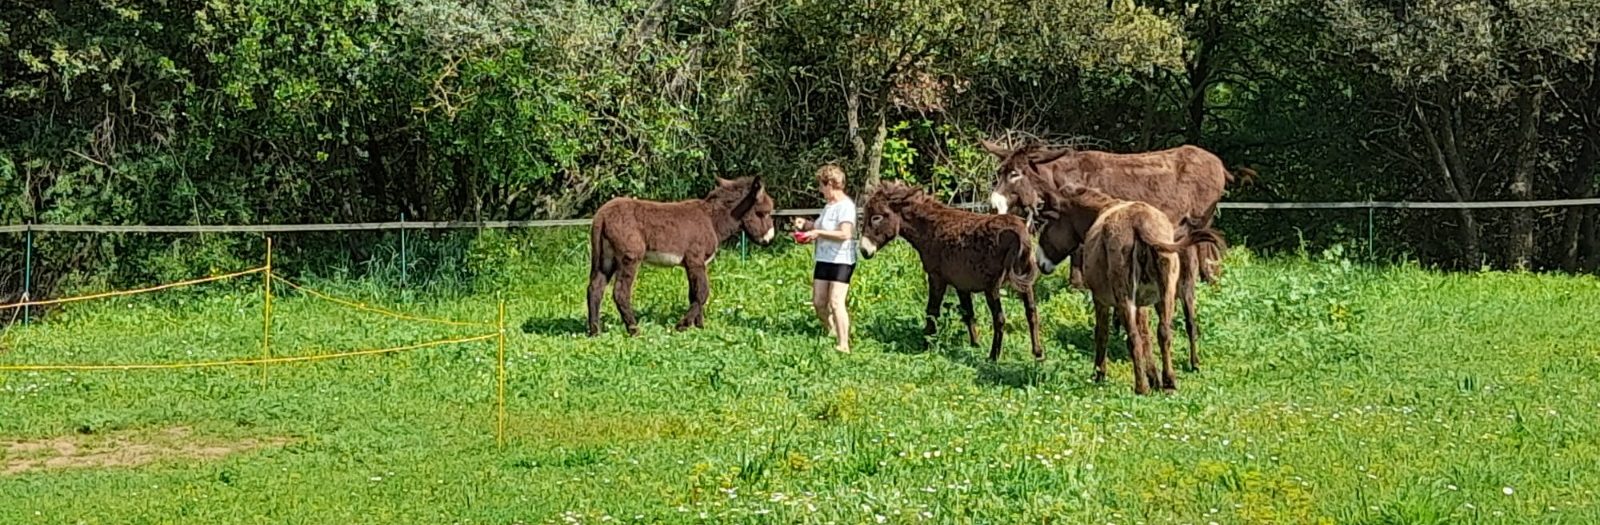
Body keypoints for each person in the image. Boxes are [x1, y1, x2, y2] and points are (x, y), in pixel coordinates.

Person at [793, 163, 856, 353]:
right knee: (819, 302)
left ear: (830, 184)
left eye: (821, 185)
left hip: (841, 260)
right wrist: (806, 225)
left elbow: (845, 234)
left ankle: (844, 344)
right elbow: (822, 227)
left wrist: (817, 232)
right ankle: (832, 330)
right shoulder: (829, 206)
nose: (820, 190)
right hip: (824, 258)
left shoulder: (846, 207)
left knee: (836, 301)